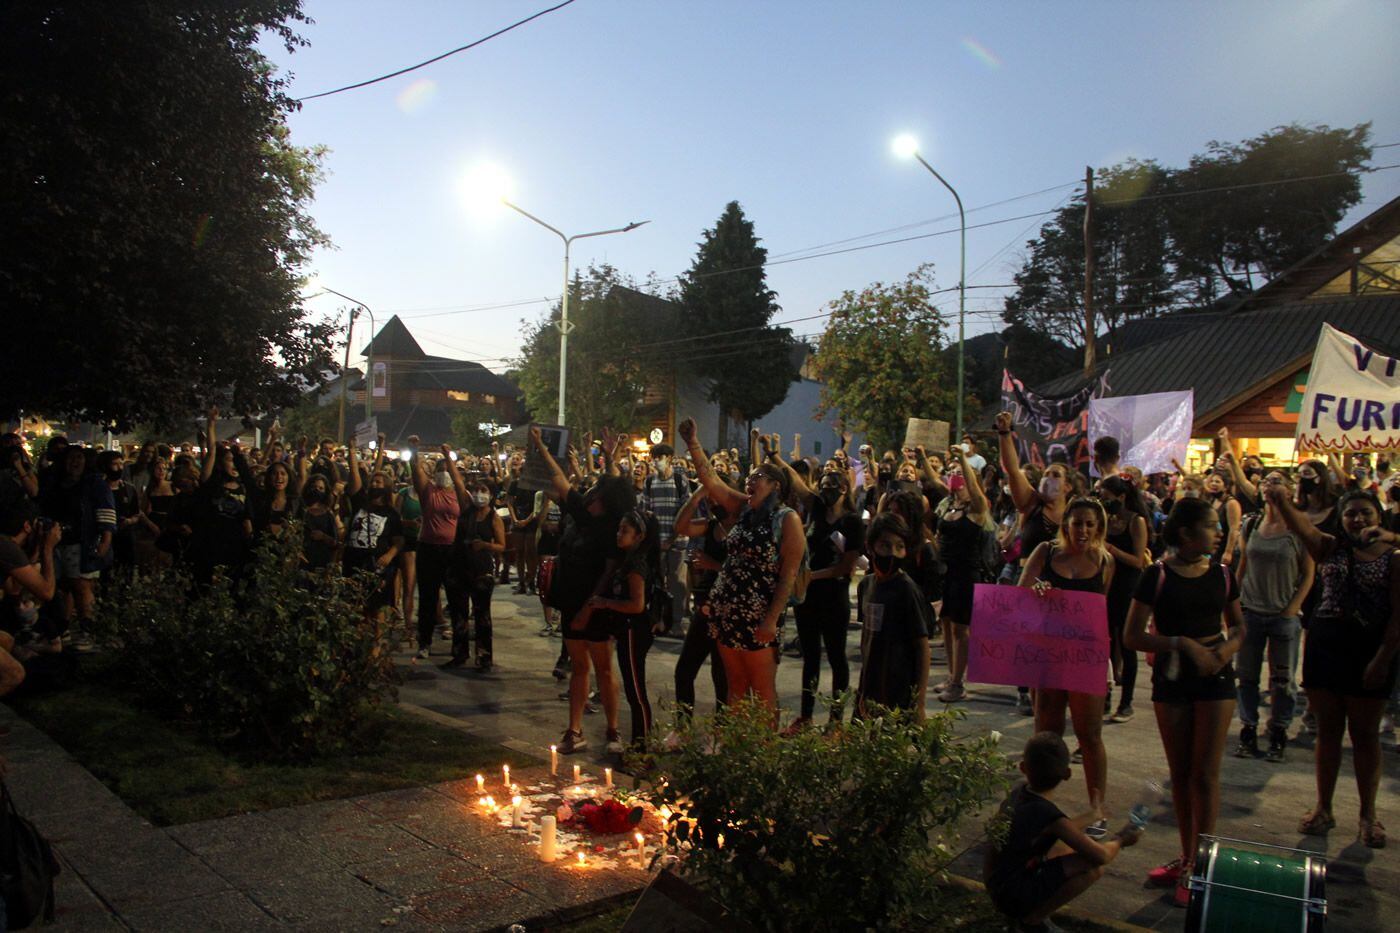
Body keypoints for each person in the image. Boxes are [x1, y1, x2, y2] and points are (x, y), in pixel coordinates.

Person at [1124, 497, 1244, 906]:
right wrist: (1181, 644)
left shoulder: (1224, 574)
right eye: (1211, 526)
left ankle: (1200, 865)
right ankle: (1188, 855)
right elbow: (1132, 636)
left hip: (1215, 677)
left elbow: (1240, 627)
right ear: (1186, 533)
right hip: (1173, 679)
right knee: (1180, 773)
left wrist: (1221, 654)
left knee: (1205, 775)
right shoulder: (1155, 576)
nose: (1219, 532)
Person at [1268, 484, 1397, 848]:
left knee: (1366, 736)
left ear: (1379, 517)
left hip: (1370, 651)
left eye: (1365, 512)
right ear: (1340, 518)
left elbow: (1398, 618)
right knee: (1327, 733)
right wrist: (1280, 500)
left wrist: (1383, 659)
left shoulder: (1393, 555)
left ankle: (1368, 815)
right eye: (1350, 512)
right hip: (1326, 647)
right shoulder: (1330, 548)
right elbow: (1302, 528)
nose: (1357, 518)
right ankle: (1324, 808)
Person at [680, 417, 803, 722]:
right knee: (735, 687)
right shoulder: (743, 509)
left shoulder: (787, 519)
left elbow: (787, 575)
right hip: (727, 612)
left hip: (758, 616)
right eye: (749, 476)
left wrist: (771, 620)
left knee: (761, 691)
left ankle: (763, 757)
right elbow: (711, 481)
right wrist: (693, 443)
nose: (750, 480)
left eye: (758, 476)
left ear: (776, 485)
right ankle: (735, 752)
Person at [528, 426, 633, 755]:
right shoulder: (580, 517)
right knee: (579, 668)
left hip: (597, 606)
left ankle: (613, 731)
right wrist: (542, 450)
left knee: (603, 668)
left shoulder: (611, 531)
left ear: (604, 502)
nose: (588, 494)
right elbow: (559, 479)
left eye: (596, 493)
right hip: (574, 602)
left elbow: (609, 572)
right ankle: (574, 731)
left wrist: (590, 607)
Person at [984, 732, 1140, 933]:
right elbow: (1101, 856)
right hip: (1010, 895)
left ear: (1023, 767)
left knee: (1064, 846)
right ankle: (1032, 921)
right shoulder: (1047, 813)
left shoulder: (1019, 794)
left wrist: (1092, 816)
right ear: (1067, 774)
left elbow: (1059, 829)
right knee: (1091, 867)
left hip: (996, 884)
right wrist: (1120, 839)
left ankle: (1023, 915)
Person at [1019, 498, 1115, 823]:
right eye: (1077, 523)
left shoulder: (1105, 562)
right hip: (1048, 654)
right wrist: (1038, 592)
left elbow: (1101, 611)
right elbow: (1020, 594)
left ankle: (1097, 810)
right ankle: (1037, 805)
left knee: (1089, 734)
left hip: (1085, 657)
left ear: (1098, 528)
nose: (1083, 530)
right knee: (1047, 732)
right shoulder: (1045, 553)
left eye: (1090, 524)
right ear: (1066, 525)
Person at [1233, 471, 1313, 762]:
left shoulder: (1299, 527)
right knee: (1247, 676)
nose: (1270, 485)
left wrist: (1293, 607)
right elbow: (1242, 568)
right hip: (1251, 611)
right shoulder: (1252, 523)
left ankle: (1278, 731)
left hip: (1282, 614)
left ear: (1291, 490)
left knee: (1283, 681)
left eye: (1278, 480)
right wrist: (1234, 605)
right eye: (1267, 481)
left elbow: (1308, 573)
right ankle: (1248, 729)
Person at [788, 467, 865, 730]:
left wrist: (812, 576)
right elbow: (798, 485)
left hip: (834, 597)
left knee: (836, 657)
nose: (824, 489)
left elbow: (847, 566)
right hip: (808, 597)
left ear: (844, 488)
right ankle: (806, 716)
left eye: (830, 485)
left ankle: (835, 720)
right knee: (810, 657)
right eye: (822, 485)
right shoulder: (818, 511)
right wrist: (774, 456)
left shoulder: (852, 522)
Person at [587, 509, 659, 750]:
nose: (619, 534)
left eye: (625, 531)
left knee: (636, 691)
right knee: (632, 688)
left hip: (633, 631)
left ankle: (642, 748)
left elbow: (636, 605)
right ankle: (639, 744)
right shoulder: (628, 559)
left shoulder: (636, 566)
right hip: (627, 630)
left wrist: (606, 603)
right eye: (619, 529)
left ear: (639, 536)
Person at [932, 446, 996, 704]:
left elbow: (975, 490)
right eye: (952, 473)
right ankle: (951, 675)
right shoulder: (949, 505)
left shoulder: (977, 507)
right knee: (946, 624)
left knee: (961, 628)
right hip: (946, 573)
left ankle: (959, 683)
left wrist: (962, 461)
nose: (955, 476)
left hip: (965, 574)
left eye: (960, 474)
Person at [854, 513, 932, 718]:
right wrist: (862, 687)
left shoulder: (906, 589)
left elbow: (922, 648)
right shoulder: (866, 586)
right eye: (885, 545)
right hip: (870, 687)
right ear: (870, 548)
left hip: (898, 691)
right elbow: (867, 638)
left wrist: (919, 702)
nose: (893, 553)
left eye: (899, 546)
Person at [672, 486, 733, 720]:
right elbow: (681, 526)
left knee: (721, 674)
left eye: (714, 498)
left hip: (728, 608)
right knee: (684, 670)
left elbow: (746, 571)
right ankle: (682, 728)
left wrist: (714, 565)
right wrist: (697, 494)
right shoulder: (710, 526)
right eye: (708, 499)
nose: (711, 503)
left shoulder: (743, 529)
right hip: (706, 604)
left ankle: (721, 730)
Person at [1098, 475, 1150, 723]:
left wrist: (1112, 549)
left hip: (1128, 587)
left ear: (1121, 497)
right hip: (1106, 586)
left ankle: (1126, 702)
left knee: (1126, 645)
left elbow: (1138, 561)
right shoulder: (1107, 519)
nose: (1102, 501)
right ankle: (1104, 695)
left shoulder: (1135, 521)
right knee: (1104, 645)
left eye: (1106, 497)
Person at [410, 441, 463, 660]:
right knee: (428, 598)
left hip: (451, 551)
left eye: (446, 470)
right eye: (439, 470)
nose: (443, 474)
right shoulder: (428, 491)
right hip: (428, 549)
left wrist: (447, 456)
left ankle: (459, 647)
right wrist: (414, 450)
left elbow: (458, 478)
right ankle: (424, 642)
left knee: (456, 598)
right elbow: (416, 472)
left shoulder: (458, 493)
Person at [444, 480, 505, 671]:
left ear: (491, 495)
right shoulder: (466, 511)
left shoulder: (494, 518)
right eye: (476, 490)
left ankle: (484, 656)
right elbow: (459, 485)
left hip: (481, 571)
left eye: (484, 491)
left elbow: (501, 545)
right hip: (459, 568)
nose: (479, 494)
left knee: (482, 616)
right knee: (459, 615)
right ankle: (460, 654)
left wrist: (486, 545)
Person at [343, 444, 405, 622]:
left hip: (377, 563)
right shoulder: (361, 503)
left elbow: (399, 540)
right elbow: (354, 478)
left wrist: (389, 555)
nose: (375, 484)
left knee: (377, 606)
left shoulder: (390, 513)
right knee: (356, 605)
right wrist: (352, 451)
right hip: (354, 561)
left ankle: (376, 645)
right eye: (373, 481)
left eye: (379, 482)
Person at [642, 443, 690, 635]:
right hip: (656, 543)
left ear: (669, 458)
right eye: (654, 457)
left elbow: (686, 512)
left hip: (677, 543)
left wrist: (672, 538)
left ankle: (677, 624)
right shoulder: (649, 482)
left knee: (677, 583)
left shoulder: (680, 481)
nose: (656, 461)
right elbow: (646, 513)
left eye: (660, 457)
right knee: (658, 583)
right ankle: (659, 620)